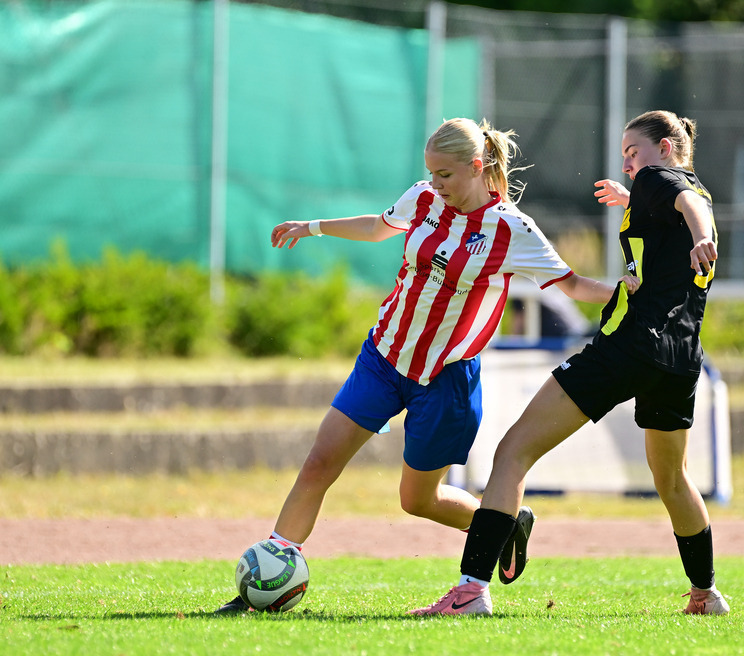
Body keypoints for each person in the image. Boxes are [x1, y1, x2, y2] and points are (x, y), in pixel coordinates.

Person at [215, 117, 620, 613]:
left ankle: (501, 522)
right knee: (319, 463)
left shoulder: (512, 229)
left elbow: (573, 284)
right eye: (429, 174)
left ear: (476, 167)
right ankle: (266, 582)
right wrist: (313, 227)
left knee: (417, 501)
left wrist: (627, 292)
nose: (435, 185)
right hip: (383, 357)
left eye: (445, 175)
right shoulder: (423, 199)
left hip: (445, 382)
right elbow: (378, 227)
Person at [409, 110, 729, 617]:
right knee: (672, 479)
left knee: (512, 452)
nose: (628, 165)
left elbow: (687, 202)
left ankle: (470, 592)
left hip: (627, 347)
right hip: (681, 358)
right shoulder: (669, 192)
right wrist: (652, 210)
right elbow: (685, 203)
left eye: (634, 151)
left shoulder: (664, 181)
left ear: (666, 149)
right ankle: (706, 593)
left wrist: (702, 234)